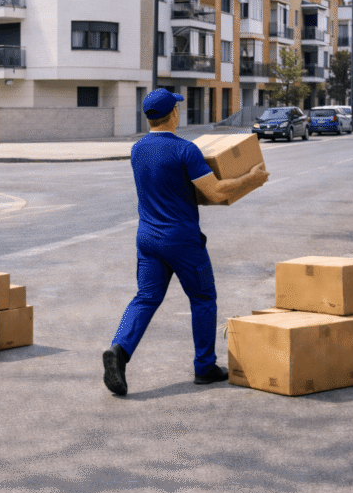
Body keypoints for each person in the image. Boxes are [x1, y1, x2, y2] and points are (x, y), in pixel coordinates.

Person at [102, 88, 268, 396]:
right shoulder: (185, 150)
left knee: (146, 298)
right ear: (173, 114)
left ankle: (119, 351)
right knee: (203, 299)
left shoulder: (137, 149)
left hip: (148, 238)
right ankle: (204, 367)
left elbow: (170, 187)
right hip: (181, 239)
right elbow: (216, 192)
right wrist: (251, 178)